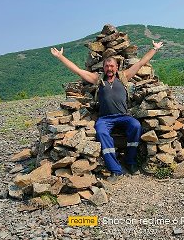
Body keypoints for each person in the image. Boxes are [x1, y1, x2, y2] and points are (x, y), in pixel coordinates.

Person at [51, 40, 163, 182]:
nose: (109, 68)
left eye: (112, 66)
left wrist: (154, 49)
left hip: (123, 116)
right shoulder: (98, 79)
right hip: (105, 119)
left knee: (135, 126)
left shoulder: (123, 77)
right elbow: (78, 71)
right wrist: (60, 57)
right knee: (102, 131)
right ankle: (115, 170)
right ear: (103, 68)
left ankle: (130, 161)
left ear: (116, 67)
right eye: (107, 66)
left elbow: (140, 63)